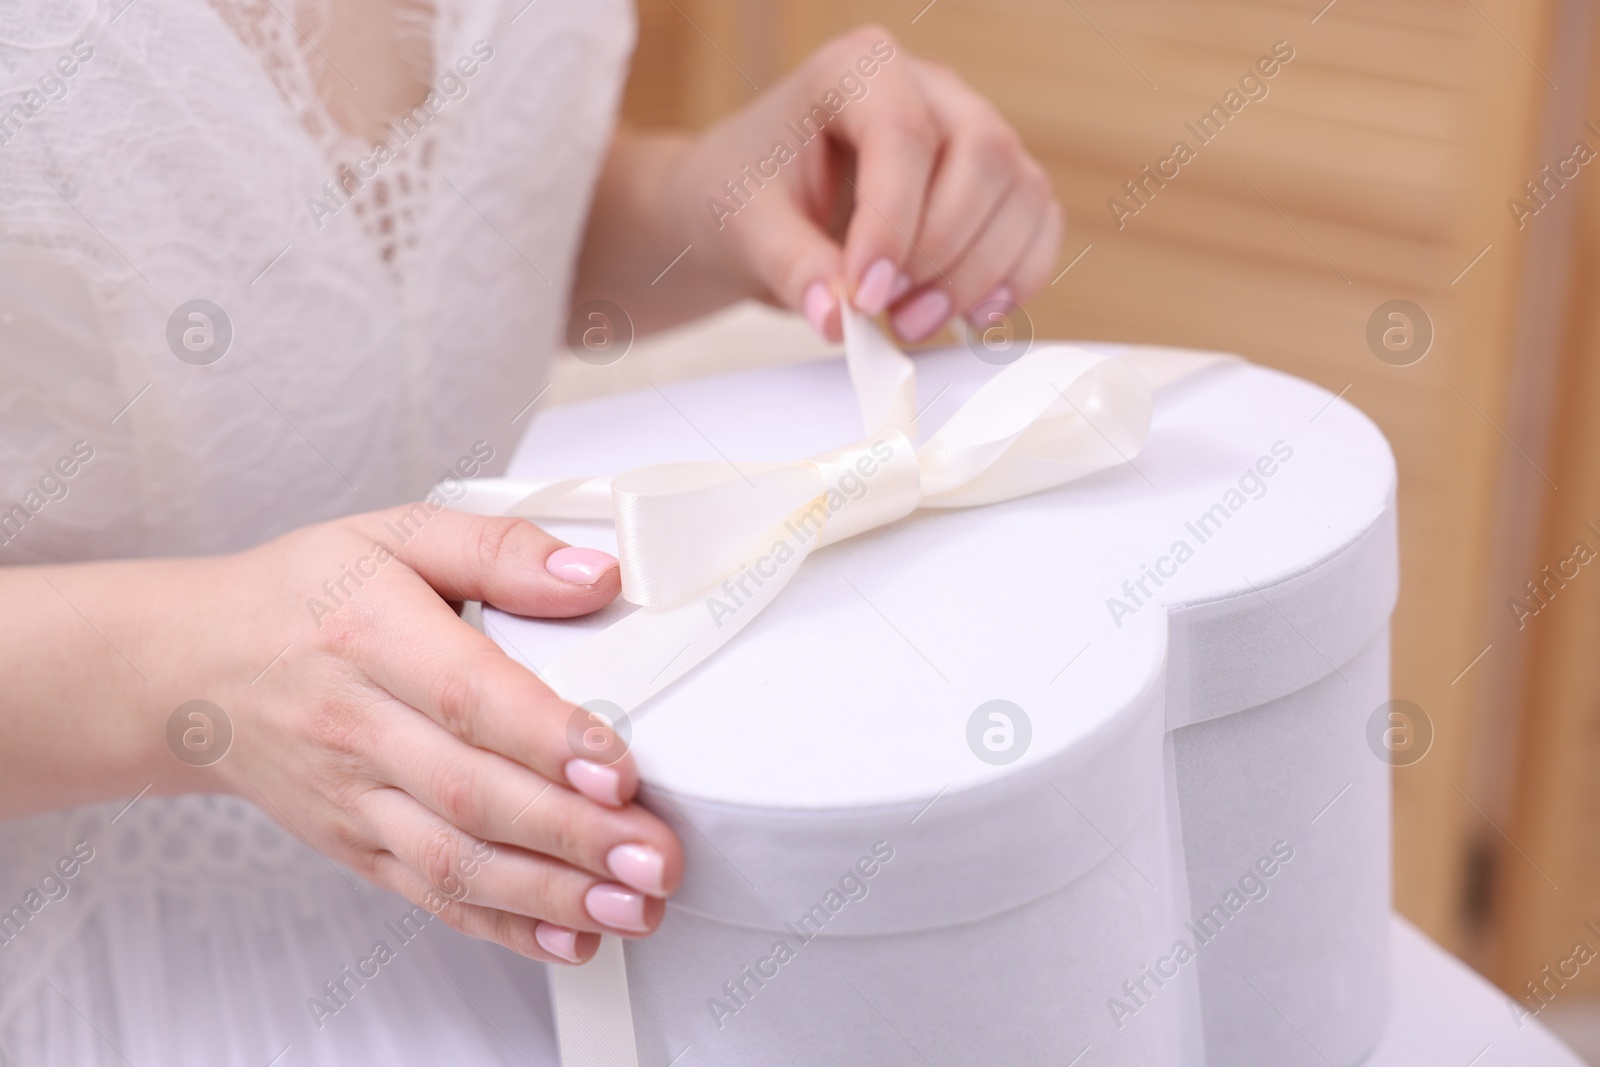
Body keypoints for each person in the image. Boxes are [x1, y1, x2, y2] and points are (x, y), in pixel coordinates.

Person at [0, 0, 1060, 1059]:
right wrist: (192, 669)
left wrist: (706, 197)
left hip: (536, 864)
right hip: (108, 954)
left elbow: (393, 248)